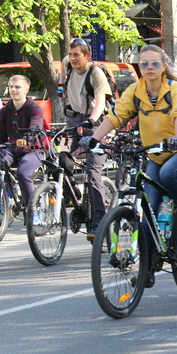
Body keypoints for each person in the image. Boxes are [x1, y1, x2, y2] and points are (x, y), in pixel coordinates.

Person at [83, 44, 177, 247]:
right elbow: (116, 115)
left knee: (168, 174)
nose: (149, 67)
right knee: (149, 210)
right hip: (156, 154)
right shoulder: (135, 91)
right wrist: (95, 138)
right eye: (144, 63)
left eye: (155, 63)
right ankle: (147, 269)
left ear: (164, 66)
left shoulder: (175, 88)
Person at [60, 37, 113, 240]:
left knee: (93, 172)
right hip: (73, 122)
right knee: (60, 156)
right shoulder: (68, 63)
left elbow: (100, 101)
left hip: (98, 125)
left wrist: (91, 121)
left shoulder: (95, 73)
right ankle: (74, 194)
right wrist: (60, 85)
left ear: (87, 56)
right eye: (70, 54)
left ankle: (98, 222)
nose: (72, 58)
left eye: (77, 55)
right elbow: (64, 67)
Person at [0, 75, 46, 214]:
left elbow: (35, 128)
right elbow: (1, 135)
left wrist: (27, 138)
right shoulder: (4, 111)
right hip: (13, 149)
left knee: (23, 173)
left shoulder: (34, 108)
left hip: (34, 150)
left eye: (17, 87)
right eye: (11, 86)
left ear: (26, 90)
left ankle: (32, 211)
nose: (13, 90)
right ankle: (8, 195)